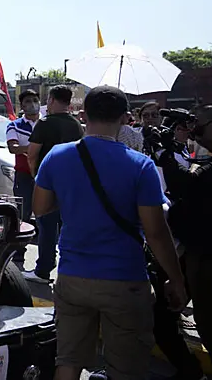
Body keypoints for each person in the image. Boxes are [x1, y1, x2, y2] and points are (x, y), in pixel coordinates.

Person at [33, 86, 187, 380]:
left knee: (67, 362)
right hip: (124, 281)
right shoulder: (141, 166)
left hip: (72, 277)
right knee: (126, 369)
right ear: (127, 118)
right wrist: (176, 280)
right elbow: (155, 232)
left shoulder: (57, 156)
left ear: (83, 115)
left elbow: (41, 209)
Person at [156, 105, 212, 356]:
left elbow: (188, 186)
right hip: (197, 250)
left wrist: (165, 153)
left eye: (200, 123)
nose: (194, 129)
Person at [25, 85, 84, 283]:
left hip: (48, 182)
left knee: (47, 226)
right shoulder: (76, 124)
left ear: (51, 100)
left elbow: (32, 154)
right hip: (73, 183)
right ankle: (70, 269)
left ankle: (43, 269)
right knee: (69, 227)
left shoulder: (44, 123)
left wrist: (35, 176)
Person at [6, 89, 40, 264]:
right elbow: (13, 148)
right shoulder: (15, 126)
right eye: (28, 101)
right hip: (24, 175)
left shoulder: (46, 124)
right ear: (22, 105)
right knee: (23, 214)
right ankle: (19, 252)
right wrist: (37, 147)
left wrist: (27, 147)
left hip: (44, 175)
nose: (32, 104)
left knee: (45, 215)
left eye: (35, 100)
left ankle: (46, 255)